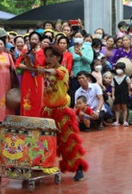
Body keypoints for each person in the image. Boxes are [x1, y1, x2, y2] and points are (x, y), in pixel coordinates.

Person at [27, 47, 87, 181]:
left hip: (62, 112)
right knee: (44, 141)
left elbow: (54, 72)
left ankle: (78, 168)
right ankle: (42, 166)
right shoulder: (46, 71)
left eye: (50, 56)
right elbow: (34, 70)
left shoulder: (63, 70)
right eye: (46, 56)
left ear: (58, 57)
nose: (48, 59)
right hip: (48, 112)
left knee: (67, 141)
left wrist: (43, 70)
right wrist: (28, 58)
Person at [16, 32, 45, 117]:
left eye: (36, 39)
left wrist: (34, 55)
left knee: (37, 98)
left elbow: (39, 66)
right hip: (27, 77)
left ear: (39, 41)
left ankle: (37, 118)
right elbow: (17, 63)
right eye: (32, 39)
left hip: (37, 78)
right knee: (26, 98)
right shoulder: (25, 51)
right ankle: (26, 118)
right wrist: (27, 67)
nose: (34, 41)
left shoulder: (42, 52)